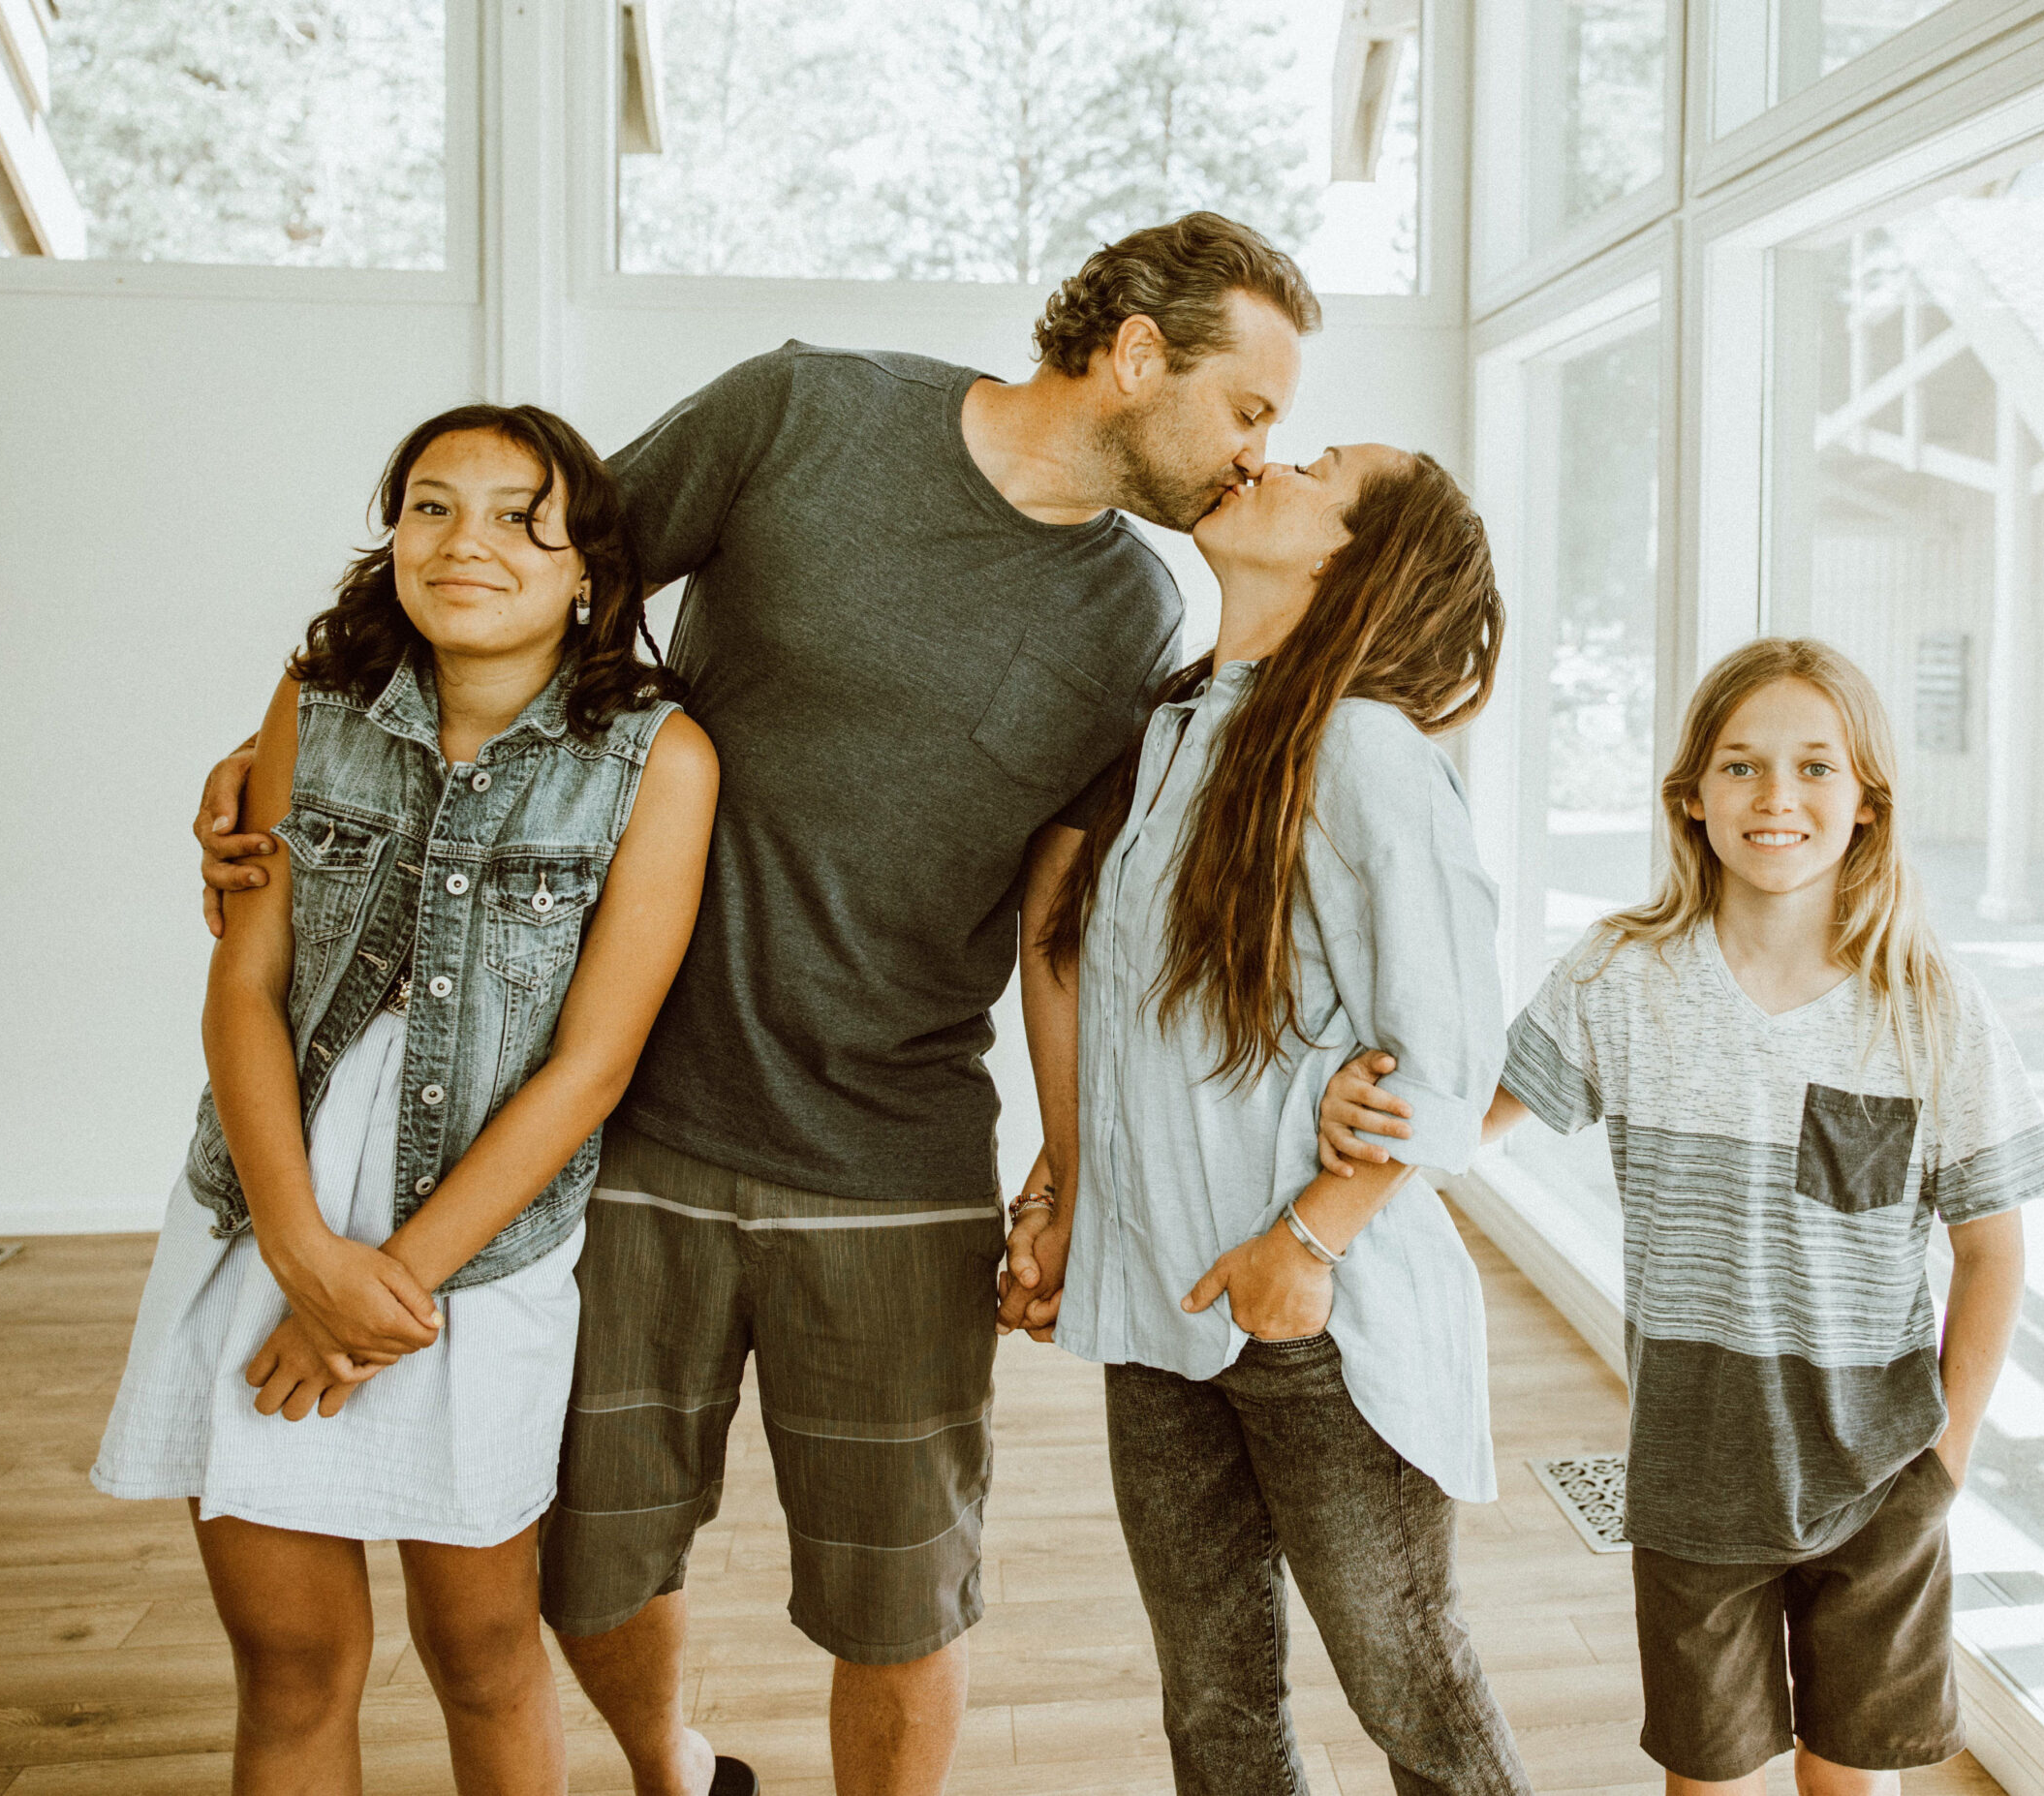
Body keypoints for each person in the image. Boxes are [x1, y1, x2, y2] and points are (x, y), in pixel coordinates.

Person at [191, 213, 1323, 1796]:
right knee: (585, 1558)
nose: (1262, 451)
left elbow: (1057, 920)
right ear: (1139, 355)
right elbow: (531, 585)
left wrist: (1064, 1168)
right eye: (1252, 407)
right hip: (631, 1119)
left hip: (897, 1160)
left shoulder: (1142, 615)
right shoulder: (805, 412)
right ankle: (675, 1768)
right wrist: (292, 768)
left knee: (903, 1599)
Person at [95, 405, 724, 1793]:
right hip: (262, 1216)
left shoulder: (656, 762)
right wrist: (305, 1253)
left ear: (588, 574)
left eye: (518, 516)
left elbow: (592, 1064)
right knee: (293, 1658)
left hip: (475, 1259)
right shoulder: (310, 709)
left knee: (485, 1649)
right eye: (430, 507)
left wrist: (383, 1289)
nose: (465, 542)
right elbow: (243, 987)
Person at [1318, 636, 2044, 1796]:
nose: (1777, 797)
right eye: (1741, 765)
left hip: (1879, 1478)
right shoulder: (1618, 975)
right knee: (1707, 1776)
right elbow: (1471, 1127)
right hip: (1691, 1474)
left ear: (1866, 804)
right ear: (1691, 799)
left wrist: (1946, 1457)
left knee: (1847, 1776)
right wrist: (1373, 1114)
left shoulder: (1928, 1007)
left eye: (1816, 767)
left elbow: (1992, 1248)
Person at [1014, 444, 1533, 1796]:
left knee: (1411, 1688)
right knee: (1215, 1699)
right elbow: (1133, 1019)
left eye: (1320, 467)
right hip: (1164, 1311)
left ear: (1354, 561)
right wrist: (1066, 1193)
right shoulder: (1182, 724)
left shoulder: (1364, 750)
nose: (1269, 456)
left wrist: (1306, 1237)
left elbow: (1448, 1048)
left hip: (1318, 1319)